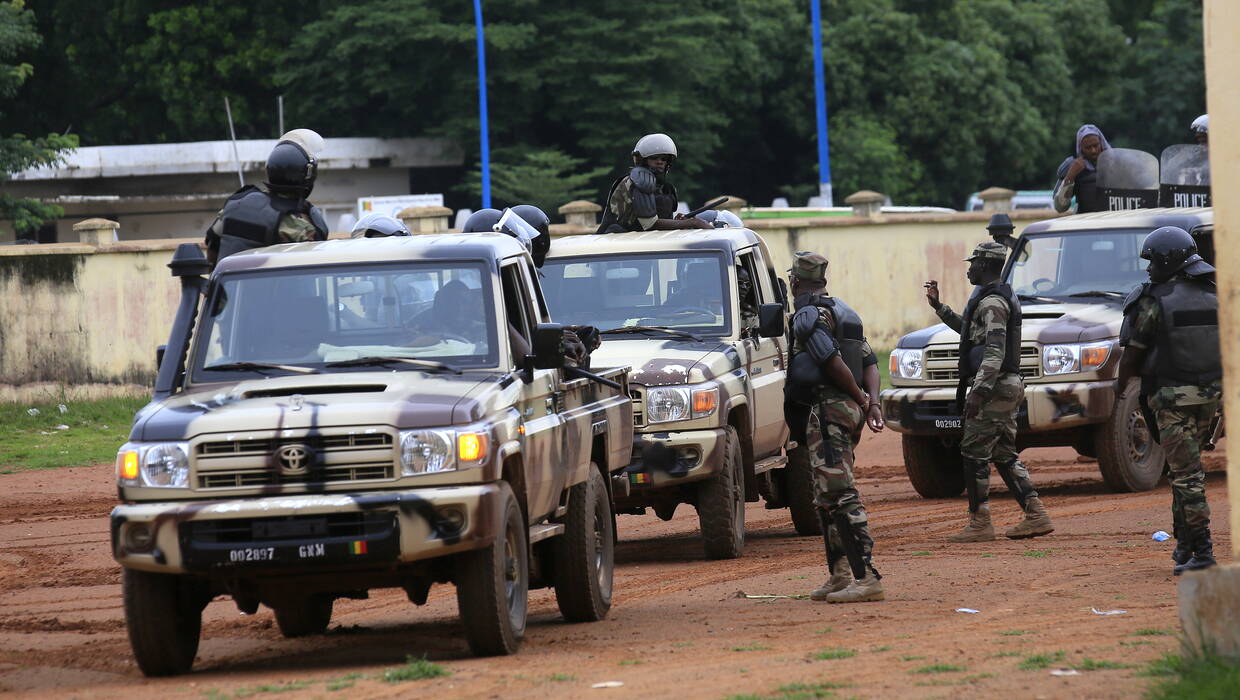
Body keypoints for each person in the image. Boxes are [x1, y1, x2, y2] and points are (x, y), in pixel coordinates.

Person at [925, 242, 1054, 542]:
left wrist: (978, 394)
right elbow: (972, 335)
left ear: (984, 266)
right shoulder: (989, 301)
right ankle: (1036, 515)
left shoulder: (993, 303)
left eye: (972, 264)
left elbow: (993, 354)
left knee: (973, 451)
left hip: (995, 388)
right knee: (1004, 452)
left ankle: (980, 523)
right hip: (1004, 386)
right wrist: (940, 308)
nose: (969, 268)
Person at [784, 251, 886, 603]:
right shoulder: (844, 311)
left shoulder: (808, 315)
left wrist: (859, 398)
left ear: (795, 281)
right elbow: (870, 361)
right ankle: (840, 575)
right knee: (825, 494)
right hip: (846, 411)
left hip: (829, 411)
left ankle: (866, 576)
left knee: (840, 494)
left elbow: (829, 358)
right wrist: (871, 403)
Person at [1118, 226, 1220, 575]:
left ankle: (1203, 550)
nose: (1148, 270)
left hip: (1171, 401)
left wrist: (1120, 389)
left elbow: (1132, 354)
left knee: (1186, 475)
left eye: (1152, 262)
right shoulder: (1215, 293)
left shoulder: (1155, 301)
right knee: (1182, 472)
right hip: (1209, 399)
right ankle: (1184, 545)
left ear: (1168, 260)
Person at [204, 129, 329, 267]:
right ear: (308, 177)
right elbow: (314, 269)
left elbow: (212, 247)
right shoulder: (298, 226)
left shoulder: (235, 205)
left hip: (228, 287)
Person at [596, 133, 711, 233]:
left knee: (715, 216)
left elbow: (658, 223)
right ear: (642, 160)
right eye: (654, 157)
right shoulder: (637, 181)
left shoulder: (665, 188)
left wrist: (678, 222)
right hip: (619, 244)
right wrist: (692, 223)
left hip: (648, 243)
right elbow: (650, 224)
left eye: (664, 158)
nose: (660, 162)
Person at [1052, 124, 1111, 214]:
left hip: (1112, 219)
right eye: (1088, 147)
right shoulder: (1072, 166)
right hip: (1085, 221)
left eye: (1096, 145)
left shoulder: (1114, 163)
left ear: (1101, 143)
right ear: (1080, 148)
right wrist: (1070, 176)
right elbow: (1060, 207)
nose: (1093, 151)